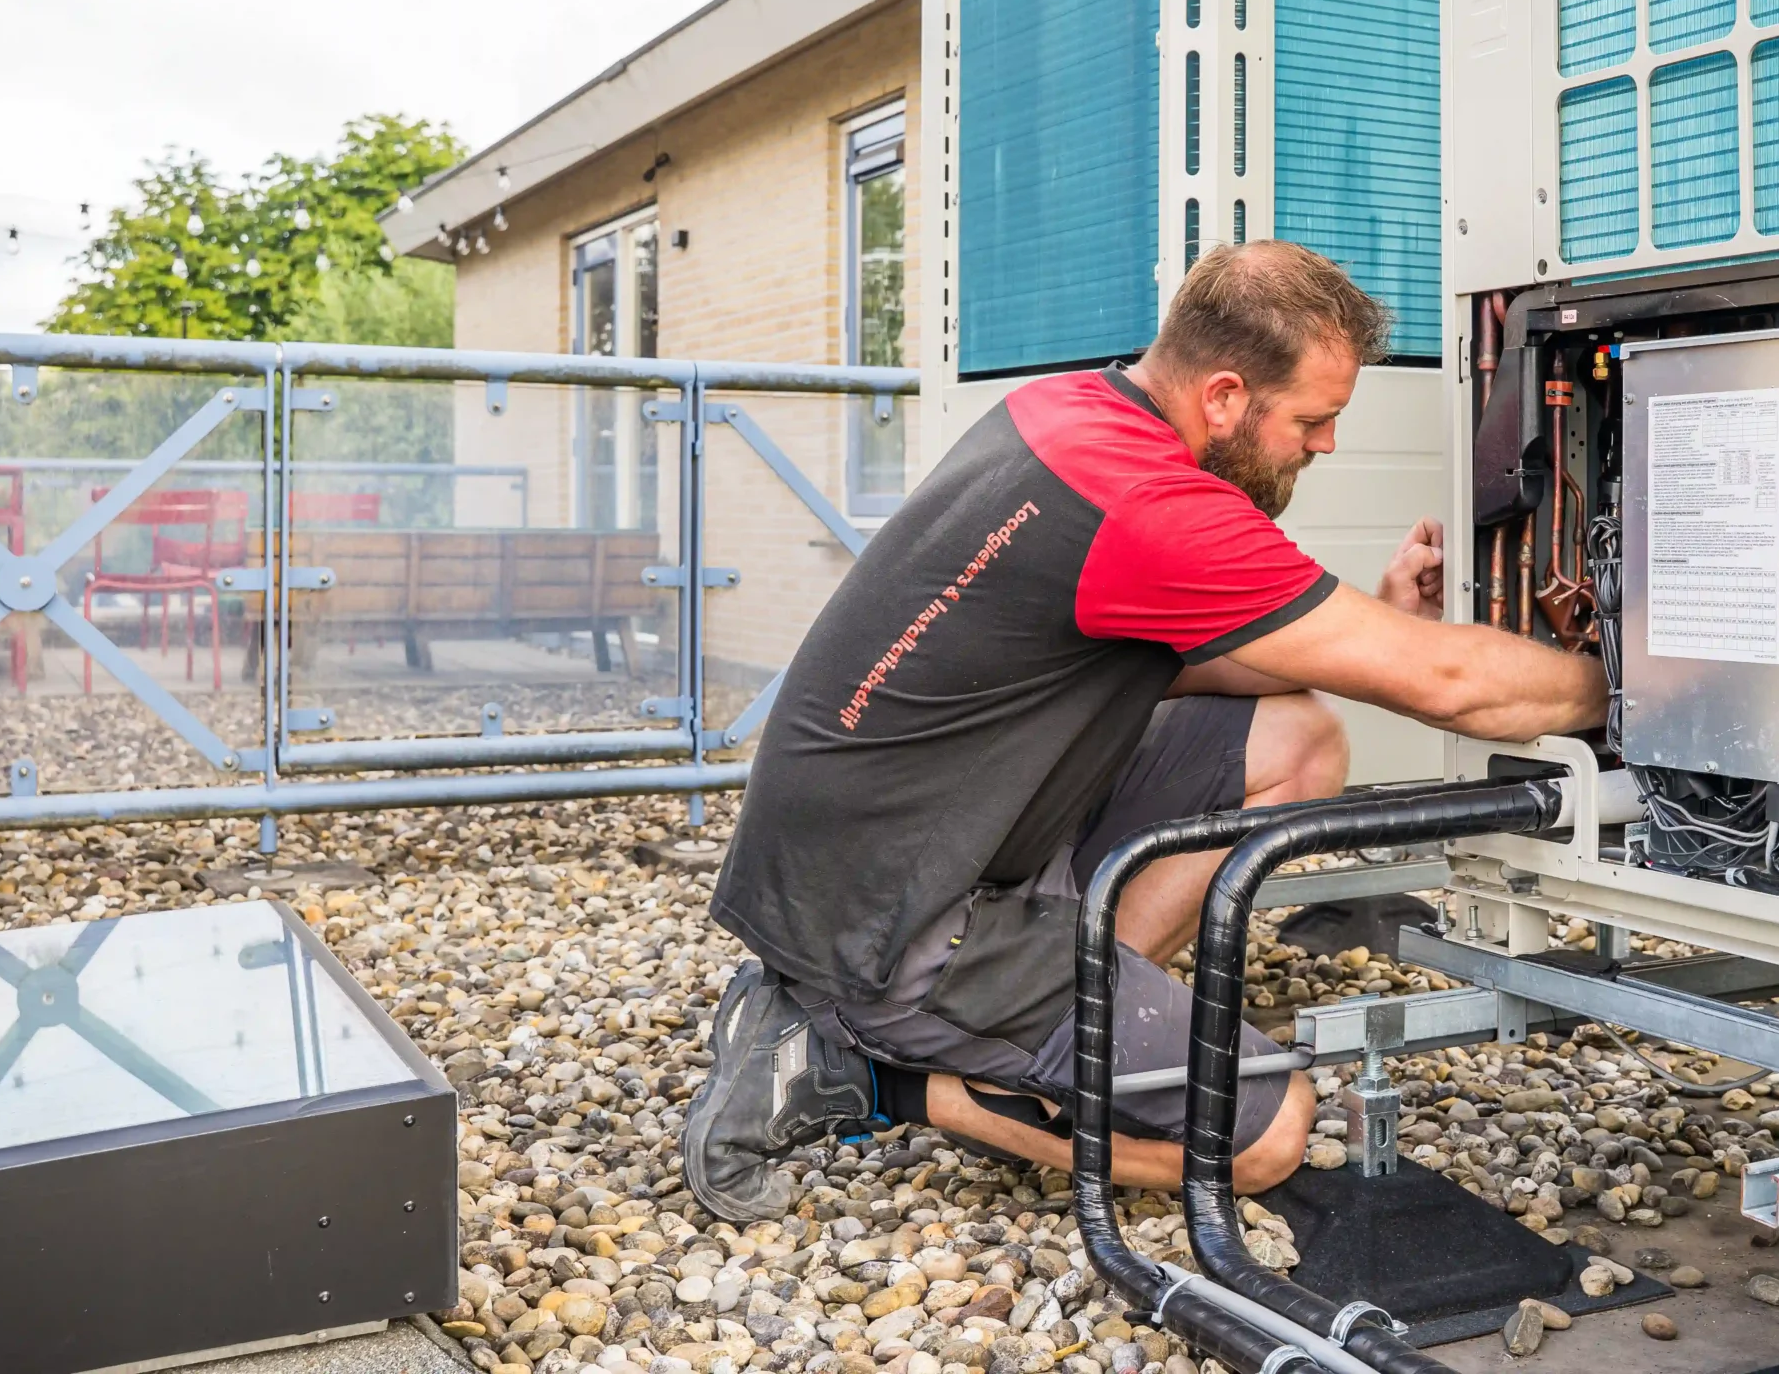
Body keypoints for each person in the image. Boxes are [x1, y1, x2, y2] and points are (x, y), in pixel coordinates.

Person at [687, 241, 1604, 1221]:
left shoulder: (1073, 413)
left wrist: (1376, 625)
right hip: (889, 924)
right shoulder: (1150, 507)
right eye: (1312, 419)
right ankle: (853, 1070)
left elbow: (1212, 659)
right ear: (1224, 396)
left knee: (1297, 740)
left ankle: (1052, 1049)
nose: (1327, 444)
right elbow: (1455, 686)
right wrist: (1643, 689)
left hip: (895, 848)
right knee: (1268, 1136)